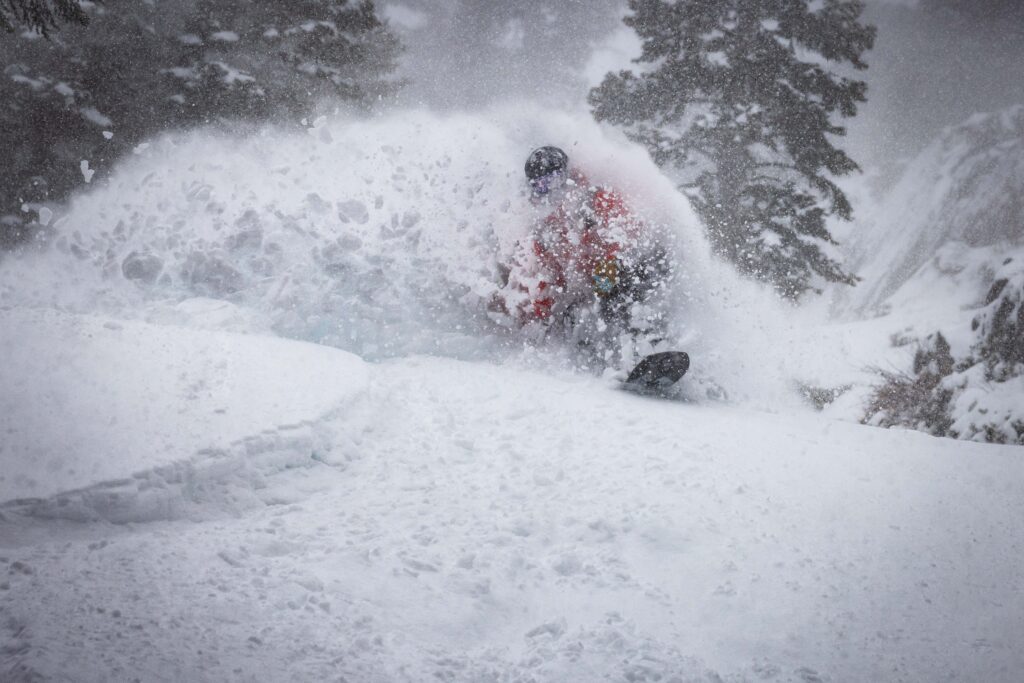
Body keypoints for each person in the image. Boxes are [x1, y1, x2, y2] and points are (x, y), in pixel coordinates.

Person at [493, 145, 672, 368]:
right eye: (540, 185)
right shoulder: (546, 230)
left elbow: (625, 230)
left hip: (637, 263)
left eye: (553, 180)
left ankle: (650, 347)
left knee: (618, 296)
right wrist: (539, 316)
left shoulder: (593, 197)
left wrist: (608, 266)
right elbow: (550, 278)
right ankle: (603, 362)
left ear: (566, 175)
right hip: (601, 281)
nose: (548, 189)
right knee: (574, 314)